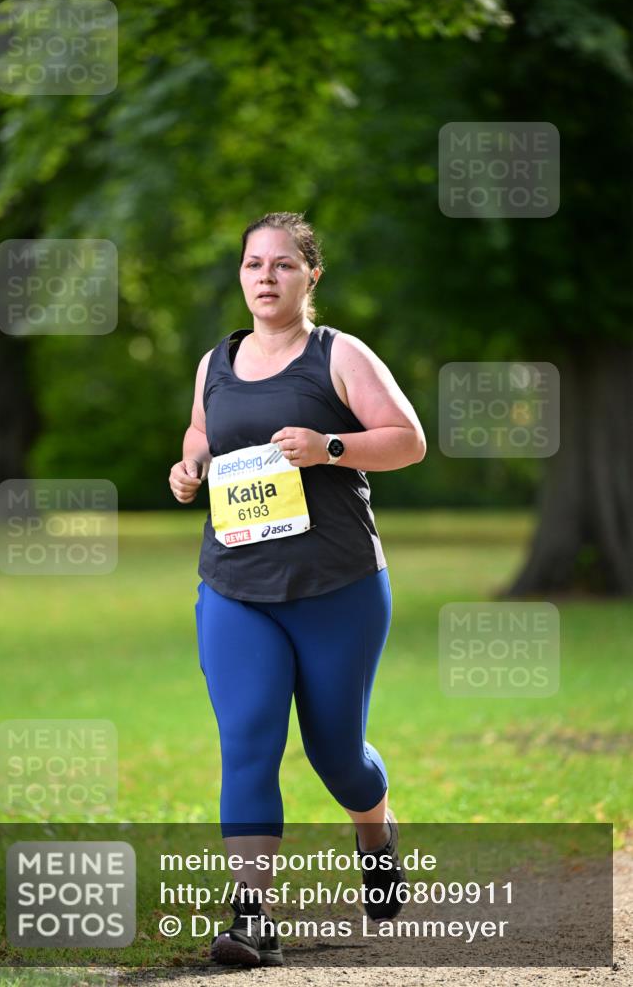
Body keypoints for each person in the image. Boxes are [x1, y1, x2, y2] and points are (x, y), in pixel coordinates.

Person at [169, 211, 426, 967]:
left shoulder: (338, 354)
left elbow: (407, 440)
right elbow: (200, 435)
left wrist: (329, 448)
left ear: (310, 276)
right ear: (240, 274)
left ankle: (375, 833)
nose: (265, 277)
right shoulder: (215, 360)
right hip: (235, 584)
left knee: (336, 755)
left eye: (282, 265)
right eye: (253, 264)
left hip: (335, 584)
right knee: (247, 740)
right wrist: (190, 468)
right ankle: (251, 915)